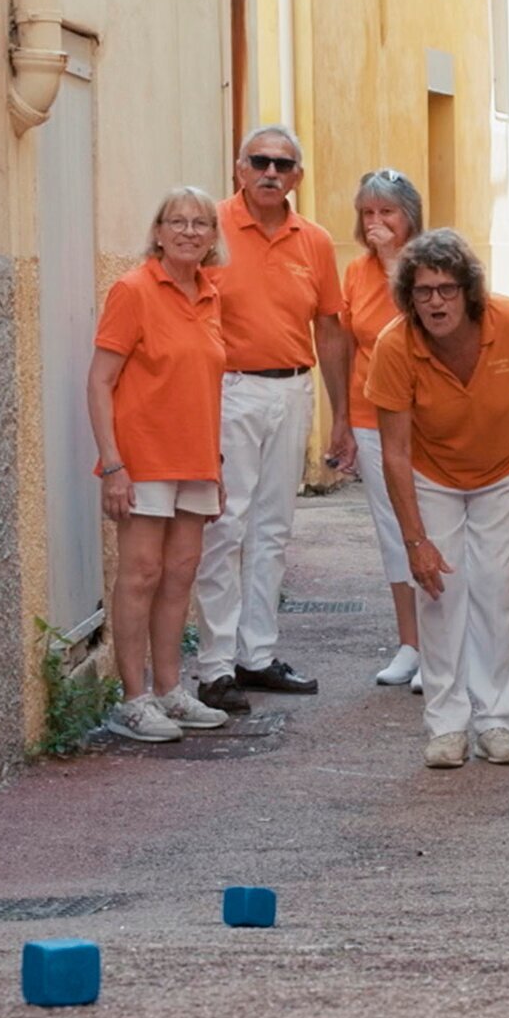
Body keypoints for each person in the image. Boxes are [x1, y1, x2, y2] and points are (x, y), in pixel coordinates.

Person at [367, 230, 509, 768]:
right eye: (424, 290)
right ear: (409, 296)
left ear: (468, 292)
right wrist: (415, 542)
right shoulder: (393, 345)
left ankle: (495, 720)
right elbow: (393, 452)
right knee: (441, 591)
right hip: (432, 475)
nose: (436, 301)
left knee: (496, 588)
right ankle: (446, 724)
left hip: (503, 471)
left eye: (447, 289)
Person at [193, 126, 353, 714]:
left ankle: (255, 655)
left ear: (297, 177)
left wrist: (341, 416)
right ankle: (213, 666)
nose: (270, 172)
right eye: (259, 161)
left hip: (292, 389)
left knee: (273, 528)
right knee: (225, 527)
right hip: (230, 391)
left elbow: (330, 328)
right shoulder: (208, 227)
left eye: (283, 165)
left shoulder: (313, 240)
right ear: (239, 168)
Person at [85, 188, 238, 743]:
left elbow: (204, 388)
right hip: (142, 459)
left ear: (213, 237)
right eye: (178, 221)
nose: (190, 232)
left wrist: (215, 467)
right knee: (142, 574)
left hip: (195, 461)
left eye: (202, 223)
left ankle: (172, 691)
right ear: (157, 230)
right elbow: (100, 382)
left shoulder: (210, 294)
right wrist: (113, 464)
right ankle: (133, 699)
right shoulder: (133, 290)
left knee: (180, 575)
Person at [338, 169, 428, 692]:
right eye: (368, 213)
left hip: (425, 419)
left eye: (386, 212)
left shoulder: (430, 262)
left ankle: (440, 646)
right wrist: (343, 424)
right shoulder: (354, 271)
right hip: (372, 416)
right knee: (393, 532)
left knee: (432, 525)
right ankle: (410, 643)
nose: (375, 222)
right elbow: (350, 342)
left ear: (408, 216)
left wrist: (396, 261)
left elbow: (422, 323)